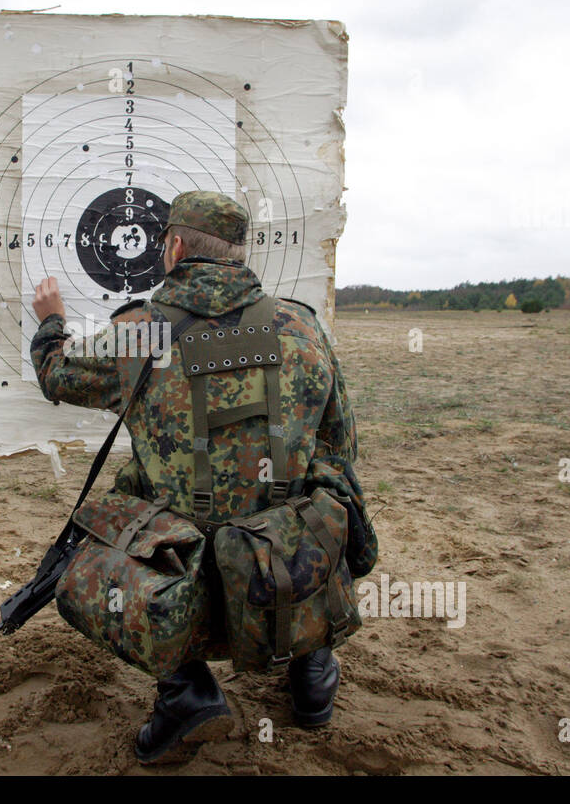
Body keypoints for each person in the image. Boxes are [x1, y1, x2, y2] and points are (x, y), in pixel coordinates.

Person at [30, 190, 360, 763]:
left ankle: (186, 690)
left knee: (119, 507)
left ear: (176, 246)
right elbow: (341, 441)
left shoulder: (139, 335)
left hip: (184, 561)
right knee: (315, 492)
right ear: (236, 252)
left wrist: (51, 321)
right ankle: (312, 670)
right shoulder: (302, 326)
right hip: (285, 557)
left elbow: (57, 375)